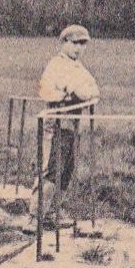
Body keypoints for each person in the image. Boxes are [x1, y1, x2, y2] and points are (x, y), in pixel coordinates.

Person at [35, 24, 100, 207]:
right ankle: (36, 217)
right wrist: (79, 91)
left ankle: (52, 214)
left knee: (67, 171)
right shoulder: (57, 65)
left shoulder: (77, 66)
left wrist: (82, 91)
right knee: (52, 169)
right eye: (75, 43)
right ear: (64, 42)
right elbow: (83, 92)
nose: (79, 48)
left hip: (72, 124)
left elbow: (94, 90)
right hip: (56, 124)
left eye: (83, 44)